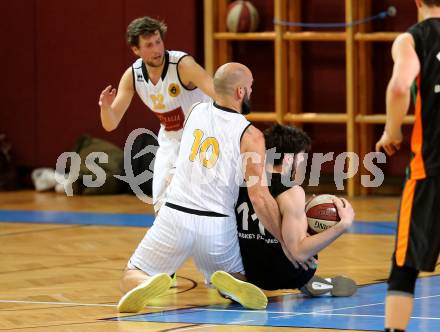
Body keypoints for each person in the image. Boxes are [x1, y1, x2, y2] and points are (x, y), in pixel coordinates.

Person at [116, 62, 283, 313]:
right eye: (250, 88)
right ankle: (231, 284)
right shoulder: (251, 135)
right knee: (239, 277)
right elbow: (258, 196)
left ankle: (147, 281)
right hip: (216, 225)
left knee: (130, 273)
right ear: (240, 92)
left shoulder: (194, 111)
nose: (251, 92)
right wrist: (282, 237)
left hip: (175, 215)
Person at [98, 16, 215, 212]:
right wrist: (105, 108)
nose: (157, 49)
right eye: (149, 45)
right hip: (170, 141)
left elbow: (217, 94)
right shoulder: (132, 76)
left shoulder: (182, 65)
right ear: (136, 50)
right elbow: (110, 124)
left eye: (158, 42)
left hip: (202, 138)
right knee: (161, 208)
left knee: (194, 206)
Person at [375, 1, 440, 331]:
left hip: (430, 169)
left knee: (405, 263)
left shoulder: (412, 39)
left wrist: (392, 129)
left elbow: (400, 86)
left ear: (418, 2)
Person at [235, 124, 357, 296]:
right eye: (301, 158)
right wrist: (343, 225)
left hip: (251, 272)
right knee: (304, 240)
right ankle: (306, 281)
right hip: (287, 273)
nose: (302, 164)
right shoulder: (292, 191)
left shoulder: (243, 181)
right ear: (288, 160)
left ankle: (236, 282)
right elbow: (298, 253)